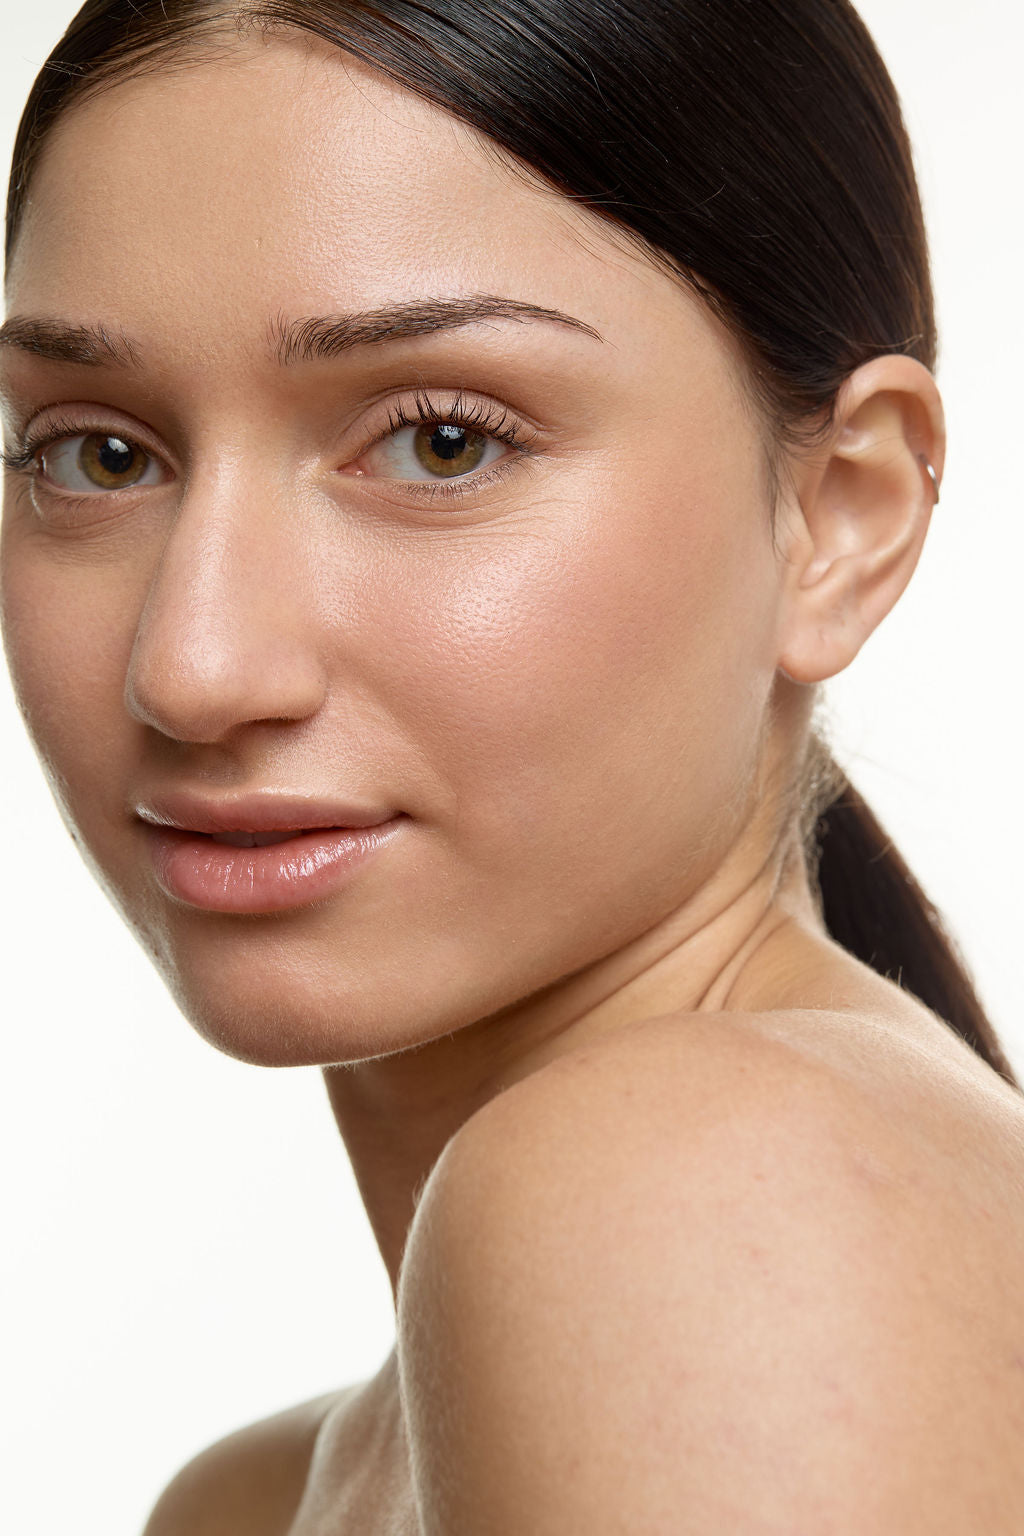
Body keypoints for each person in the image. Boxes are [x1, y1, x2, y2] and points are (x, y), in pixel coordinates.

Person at [2, 0, 1022, 1530]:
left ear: (842, 514)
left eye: (440, 443)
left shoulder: (705, 1202)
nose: (193, 666)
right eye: (99, 452)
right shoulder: (245, 1500)